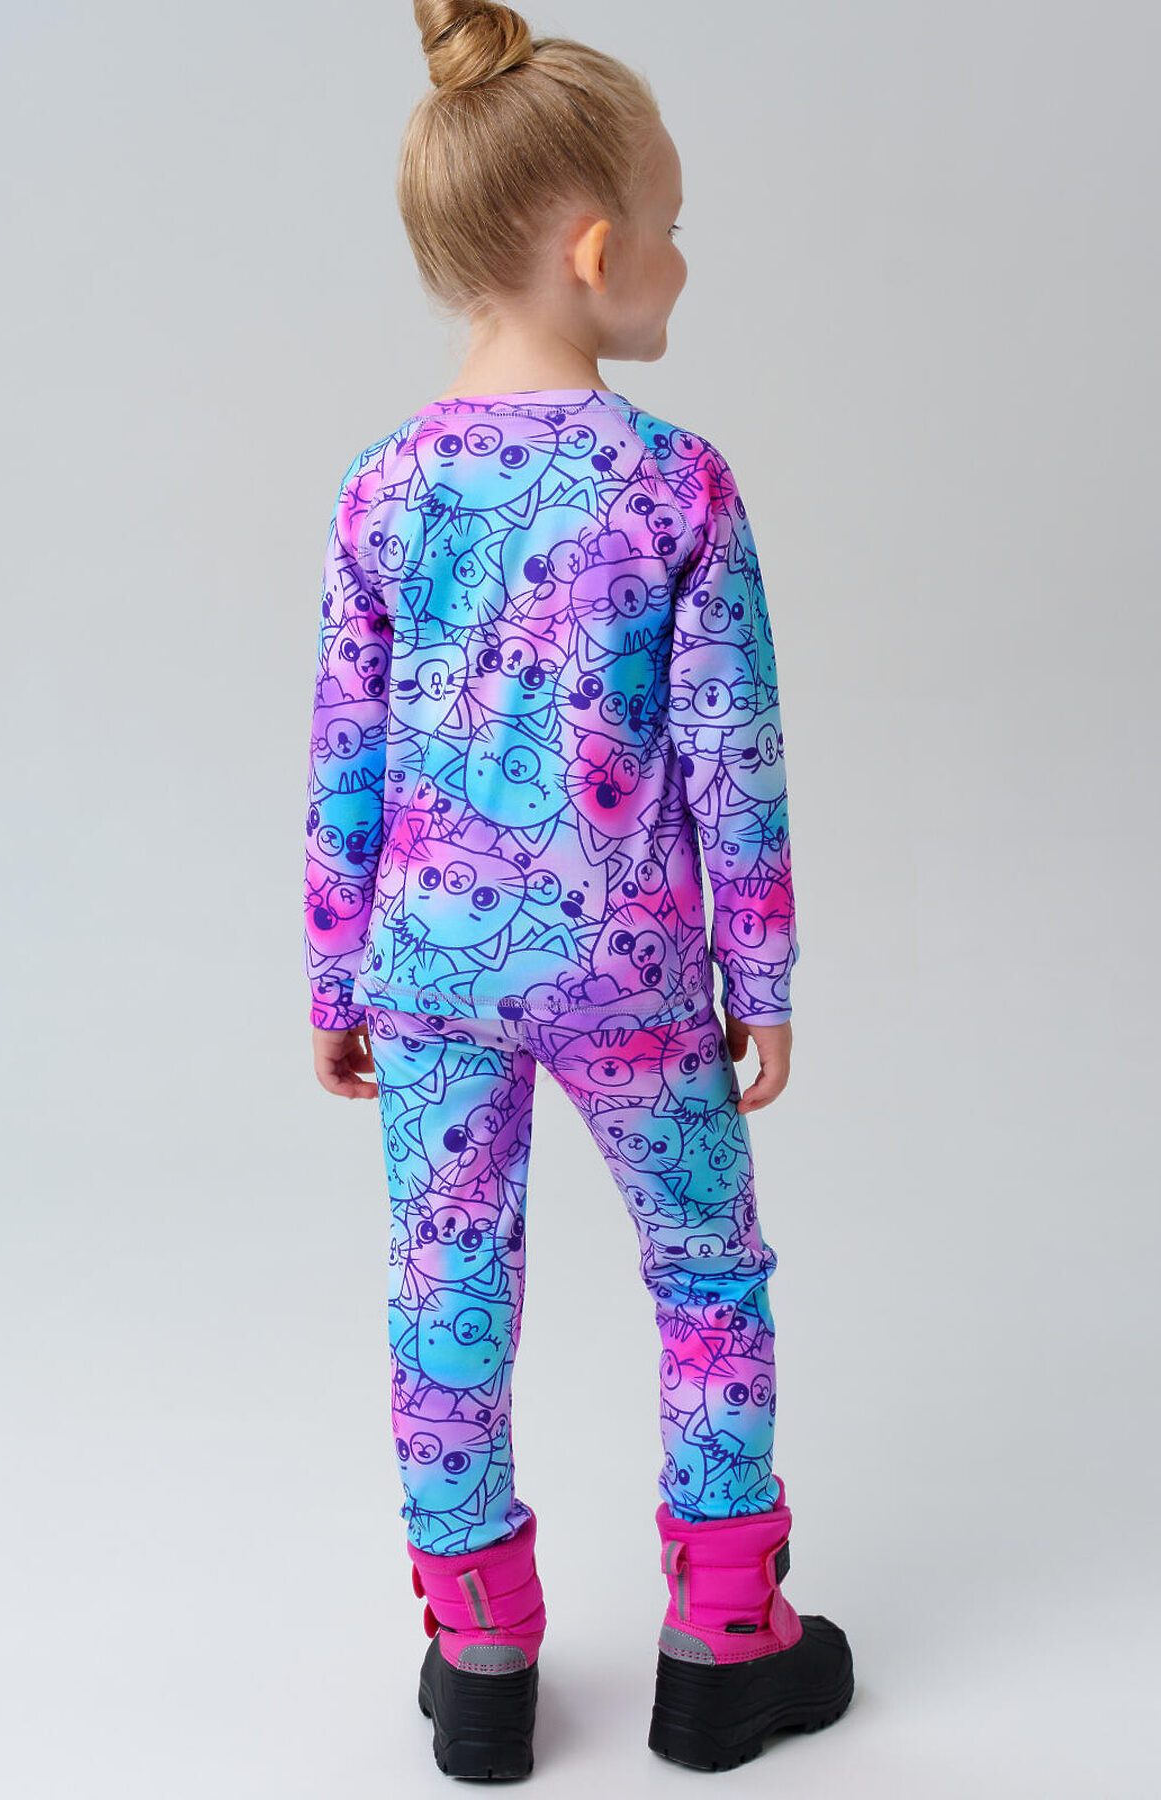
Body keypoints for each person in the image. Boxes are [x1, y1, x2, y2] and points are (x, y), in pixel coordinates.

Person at [302, 0, 853, 1778]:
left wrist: (336, 972)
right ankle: (727, 1642)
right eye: (673, 228)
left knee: (446, 1294)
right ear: (598, 249)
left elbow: (349, 752)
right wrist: (759, 972)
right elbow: (732, 751)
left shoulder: (382, 492)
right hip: (631, 973)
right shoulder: (676, 483)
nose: (683, 259)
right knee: (707, 1273)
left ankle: (479, 1664)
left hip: (432, 971)